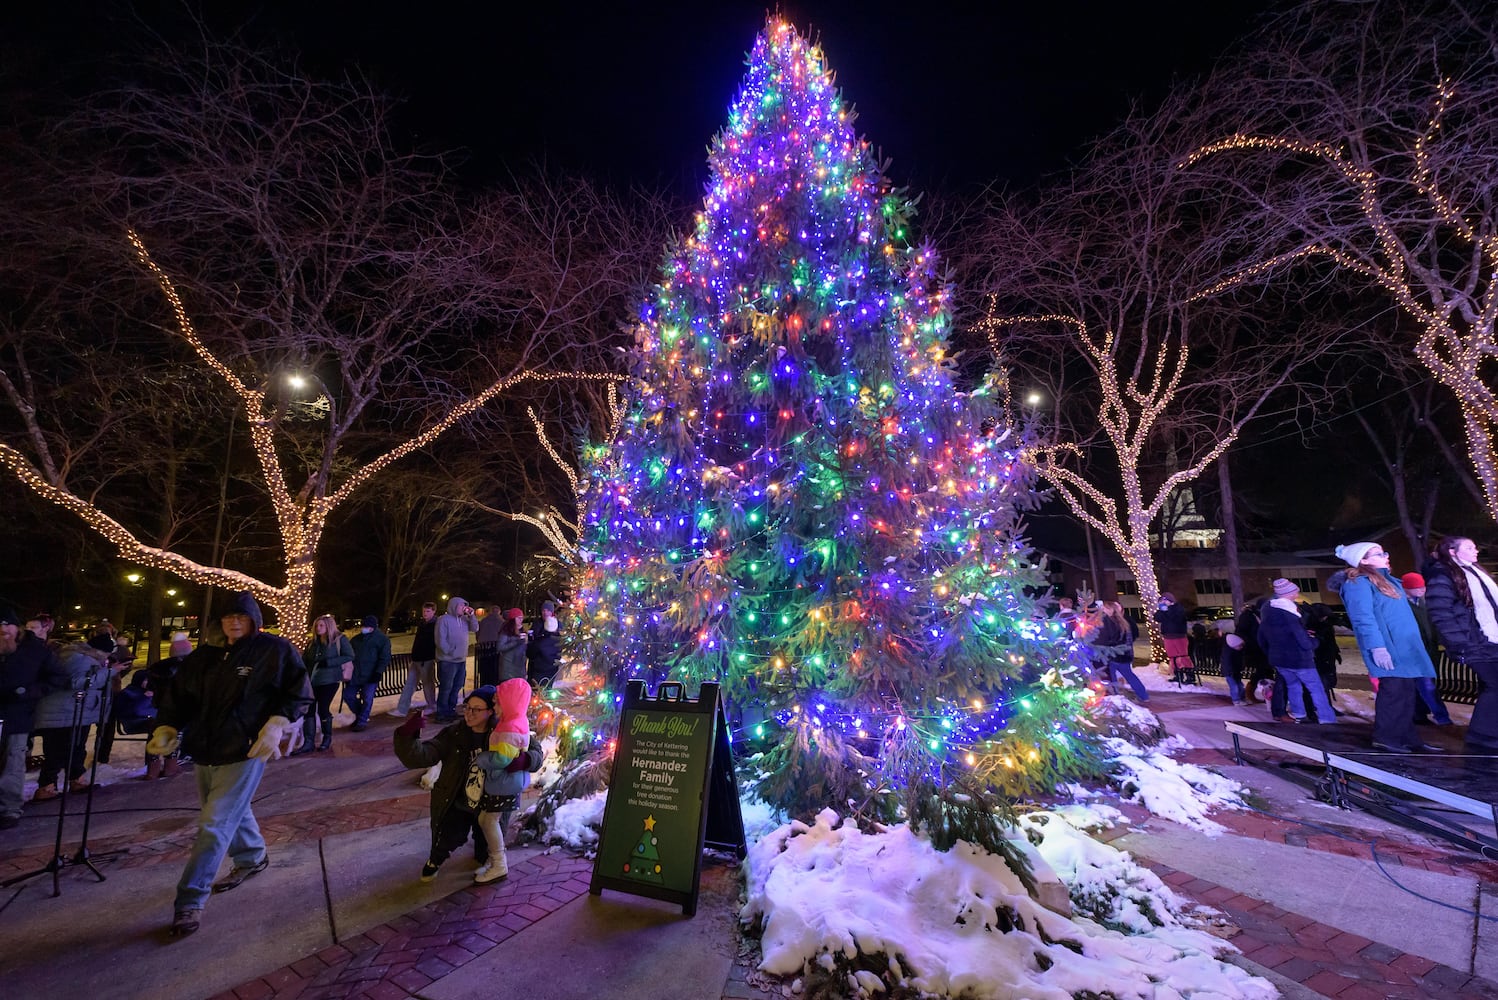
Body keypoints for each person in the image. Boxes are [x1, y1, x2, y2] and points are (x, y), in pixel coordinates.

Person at [148, 591, 312, 937]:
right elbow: (180, 696)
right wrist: (167, 725)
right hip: (205, 750)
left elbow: (298, 690)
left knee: (214, 823)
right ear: (218, 622)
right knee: (227, 810)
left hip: (246, 749)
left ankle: (190, 900)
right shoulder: (203, 657)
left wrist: (278, 721)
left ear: (254, 620)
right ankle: (252, 856)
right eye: (227, 617)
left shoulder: (274, 650)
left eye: (241, 617)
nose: (234, 622)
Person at [392, 687, 544, 882]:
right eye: (467, 707)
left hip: (491, 802)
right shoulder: (454, 734)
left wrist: (526, 760)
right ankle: (435, 860)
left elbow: (535, 751)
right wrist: (406, 736)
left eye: (476, 709)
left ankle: (491, 861)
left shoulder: (507, 729)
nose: (469, 713)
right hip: (459, 799)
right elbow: (423, 755)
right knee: (446, 838)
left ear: (490, 711)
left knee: (486, 848)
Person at [1332, 542, 1440, 754]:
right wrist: (1376, 647)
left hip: (1405, 648)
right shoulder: (1358, 584)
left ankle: (1408, 737)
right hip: (1388, 648)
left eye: (1385, 551)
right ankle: (1386, 738)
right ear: (1363, 560)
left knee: (1407, 693)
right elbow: (1363, 619)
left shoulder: (1391, 582)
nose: (1386, 556)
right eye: (1379, 554)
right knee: (1393, 692)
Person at [1421, 537, 1498, 753]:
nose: (1476, 550)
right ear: (1453, 552)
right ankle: (1481, 735)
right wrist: (1459, 643)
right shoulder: (1443, 575)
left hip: (1490, 638)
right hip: (1472, 640)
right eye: (1470, 547)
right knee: (1495, 685)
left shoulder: (1475, 572)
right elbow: (1440, 613)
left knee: (1490, 686)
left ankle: (1488, 731)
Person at [0, 605, 69, 830]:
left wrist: (28, 692)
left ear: (15, 625)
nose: (3, 631)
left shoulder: (35, 650)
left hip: (16, 716)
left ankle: (8, 809)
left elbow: (58, 677)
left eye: (6, 625)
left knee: (12, 762)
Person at [30, 634, 114, 800]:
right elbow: (76, 682)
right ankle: (46, 787)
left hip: (74, 712)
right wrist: (110, 671)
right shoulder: (79, 658)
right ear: (99, 651)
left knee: (76, 747)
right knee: (56, 750)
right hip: (61, 713)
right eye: (106, 654)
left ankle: (76, 779)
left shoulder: (83, 657)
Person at [473, 677, 533, 883]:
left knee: (489, 821)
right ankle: (494, 859)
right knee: (485, 819)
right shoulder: (510, 722)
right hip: (502, 781)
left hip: (504, 783)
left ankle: (499, 864)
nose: (494, 706)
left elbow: (502, 759)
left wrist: (482, 759)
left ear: (509, 703)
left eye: (498, 702)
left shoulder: (510, 729)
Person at [1258, 579, 1337, 725]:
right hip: (1299, 659)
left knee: (1292, 685)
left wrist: (1273, 652)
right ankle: (1327, 718)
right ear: (1287, 594)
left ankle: (1299, 714)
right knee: (1316, 688)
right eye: (1295, 591)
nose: (1297, 594)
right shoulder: (1290, 614)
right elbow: (1304, 643)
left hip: (1279, 659)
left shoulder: (1268, 612)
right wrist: (1315, 641)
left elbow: (1262, 637)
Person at [1400, 572, 1453, 726]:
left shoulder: (1423, 604)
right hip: (1414, 653)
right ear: (1406, 589)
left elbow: (1432, 627)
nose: (1421, 589)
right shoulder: (1404, 606)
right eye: (1416, 587)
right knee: (1426, 685)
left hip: (1429, 651)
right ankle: (1442, 717)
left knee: (1424, 685)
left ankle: (1419, 714)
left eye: (1422, 586)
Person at [301, 615, 352, 752]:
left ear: (329, 626)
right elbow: (305, 659)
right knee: (309, 709)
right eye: (317, 626)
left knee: (323, 708)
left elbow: (349, 655)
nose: (318, 628)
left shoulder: (338, 639)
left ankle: (326, 738)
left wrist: (329, 662)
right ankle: (309, 741)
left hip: (329, 680)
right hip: (312, 681)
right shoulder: (312, 643)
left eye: (321, 625)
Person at [1090, 601, 1148, 702]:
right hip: (1124, 655)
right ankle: (1143, 695)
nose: (1103, 610)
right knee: (1129, 676)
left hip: (1113, 656)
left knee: (1112, 679)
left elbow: (1107, 639)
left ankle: (1115, 697)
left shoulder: (1109, 622)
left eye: (1105, 608)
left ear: (1111, 610)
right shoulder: (1123, 621)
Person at [434, 597, 478, 722]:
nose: (463, 608)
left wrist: (472, 615)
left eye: (464, 606)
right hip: (448, 660)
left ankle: (450, 710)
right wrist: (449, 651)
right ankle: (441, 713)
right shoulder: (443, 620)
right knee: (446, 687)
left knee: (457, 686)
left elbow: (475, 628)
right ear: (453, 606)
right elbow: (440, 639)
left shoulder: (464, 619)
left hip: (461, 660)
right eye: (460, 606)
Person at [391, 603, 438, 718]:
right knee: (410, 684)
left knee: (427, 683)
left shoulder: (435, 625)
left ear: (433, 612)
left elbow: (434, 642)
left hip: (426, 659)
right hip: (417, 658)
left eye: (427, 611)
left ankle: (432, 705)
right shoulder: (422, 624)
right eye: (424, 611)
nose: (425, 613)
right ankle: (402, 709)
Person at [346, 615, 391, 732]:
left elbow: (384, 658)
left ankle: (361, 720)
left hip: (371, 674)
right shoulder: (356, 640)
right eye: (364, 626)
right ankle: (362, 715)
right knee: (348, 695)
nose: (365, 628)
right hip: (356, 674)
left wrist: (378, 672)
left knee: (367, 698)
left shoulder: (382, 640)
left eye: (368, 626)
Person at [1153, 592, 1193, 684]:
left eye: (1164, 600)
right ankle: (1178, 675)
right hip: (1168, 636)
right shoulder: (1164, 610)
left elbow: (1173, 618)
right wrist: (1161, 610)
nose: (1163, 602)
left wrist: (1167, 610)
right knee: (1172, 657)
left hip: (1179, 636)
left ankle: (1190, 676)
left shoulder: (1178, 608)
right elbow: (1157, 618)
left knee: (1183, 656)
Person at [526, 607, 561, 689]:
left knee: (537, 692)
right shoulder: (559, 641)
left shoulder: (540, 642)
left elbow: (530, 654)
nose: (545, 612)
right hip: (552, 670)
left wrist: (530, 643)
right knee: (548, 690)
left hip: (539, 671)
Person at [474, 605, 505, 687]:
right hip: (496, 651)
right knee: (495, 673)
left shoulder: (483, 621)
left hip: (483, 651)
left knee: (485, 672)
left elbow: (477, 635)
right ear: (499, 612)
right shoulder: (502, 622)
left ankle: (484, 687)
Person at [495, 608, 528, 682]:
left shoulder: (522, 630)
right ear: (513, 619)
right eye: (518, 618)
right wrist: (516, 642)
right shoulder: (506, 631)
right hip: (508, 668)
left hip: (520, 667)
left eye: (522, 618)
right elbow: (500, 647)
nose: (521, 620)